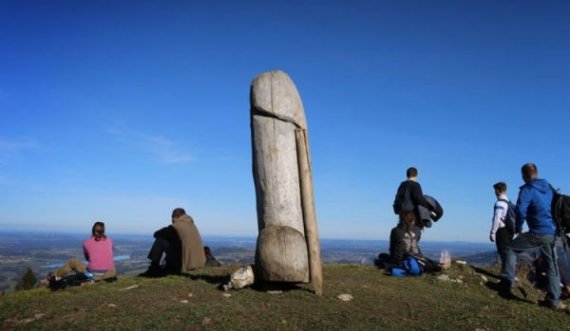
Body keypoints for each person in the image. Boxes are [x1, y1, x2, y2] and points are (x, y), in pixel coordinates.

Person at [500, 163, 563, 310]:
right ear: (536, 173)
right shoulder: (549, 188)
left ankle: (506, 283)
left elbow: (521, 210)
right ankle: (553, 301)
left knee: (510, 249)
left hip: (537, 232)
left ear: (524, 175)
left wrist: (518, 227)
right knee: (552, 265)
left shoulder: (528, 189)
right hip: (551, 232)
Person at [140, 208, 206, 277]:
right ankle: (165, 266)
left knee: (160, 240)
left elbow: (157, 234)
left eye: (172, 219)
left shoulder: (176, 226)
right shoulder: (192, 225)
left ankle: (153, 267)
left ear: (175, 217)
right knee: (172, 242)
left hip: (186, 265)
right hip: (199, 263)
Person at [46, 221, 116, 286]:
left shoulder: (86, 243)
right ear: (103, 231)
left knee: (73, 262)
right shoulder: (110, 240)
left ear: (92, 230)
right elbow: (111, 253)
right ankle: (98, 280)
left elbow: (87, 258)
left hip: (94, 276)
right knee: (110, 263)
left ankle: (53, 277)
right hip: (109, 274)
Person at [489, 182, 514, 269]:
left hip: (502, 231)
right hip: (510, 230)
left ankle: (506, 274)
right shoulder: (509, 202)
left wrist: (493, 233)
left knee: (503, 252)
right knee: (507, 252)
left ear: (497, 190)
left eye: (495, 190)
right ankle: (509, 273)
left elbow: (497, 218)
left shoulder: (499, 203)